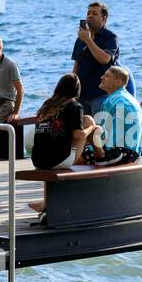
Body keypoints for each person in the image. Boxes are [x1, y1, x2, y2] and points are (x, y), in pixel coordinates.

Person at [26, 72, 97, 214]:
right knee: (88, 120)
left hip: (38, 159)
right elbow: (78, 135)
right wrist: (92, 128)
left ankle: (46, 202)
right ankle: (98, 154)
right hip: (60, 159)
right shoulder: (74, 106)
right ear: (77, 90)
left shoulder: (47, 105)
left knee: (52, 150)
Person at [85, 65, 142, 165]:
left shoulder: (113, 101)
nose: (102, 77)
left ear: (118, 82)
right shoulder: (126, 98)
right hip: (133, 154)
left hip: (118, 154)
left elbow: (106, 138)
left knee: (75, 156)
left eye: (107, 76)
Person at [72, 1, 120, 114]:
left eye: (94, 13)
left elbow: (105, 59)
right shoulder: (80, 39)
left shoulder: (110, 37)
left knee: (100, 130)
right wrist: (72, 90)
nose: (90, 16)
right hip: (81, 95)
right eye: (88, 13)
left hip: (100, 95)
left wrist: (88, 40)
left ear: (104, 19)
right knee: (83, 129)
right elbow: (76, 65)